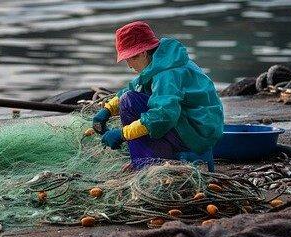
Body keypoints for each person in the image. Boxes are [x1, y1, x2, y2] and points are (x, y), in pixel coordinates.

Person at [93, 21, 223, 170]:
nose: (129, 65)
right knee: (129, 97)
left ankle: (146, 164)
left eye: (130, 58)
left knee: (129, 102)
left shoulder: (167, 74)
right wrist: (107, 110)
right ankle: (144, 158)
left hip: (196, 134)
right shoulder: (163, 61)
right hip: (197, 125)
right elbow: (136, 86)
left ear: (142, 52)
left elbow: (163, 116)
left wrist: (123, 134)